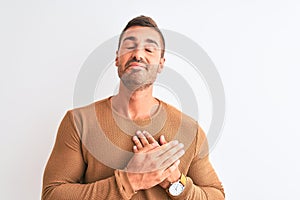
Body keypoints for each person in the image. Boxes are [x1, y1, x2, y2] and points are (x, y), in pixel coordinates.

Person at [42, 15, 225, 200]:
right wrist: (130, 181)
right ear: (117, 58)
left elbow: (217, 196)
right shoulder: (78, 122)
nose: (138, 54)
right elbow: (52, 195)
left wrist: (175, 182)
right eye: (130, 46)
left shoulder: (189, 130)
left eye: (149, 49)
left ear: (161, 64)